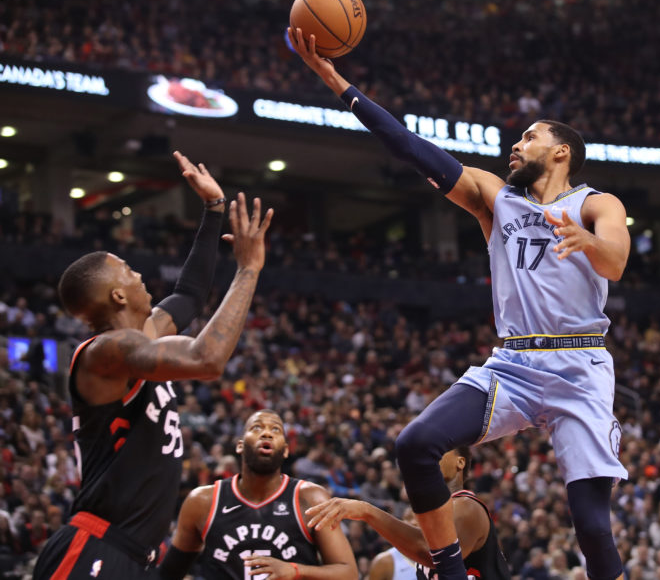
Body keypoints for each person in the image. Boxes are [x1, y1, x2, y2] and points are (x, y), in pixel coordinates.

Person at [290, 28, 630, 580]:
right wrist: (339, 85)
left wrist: (591, 242)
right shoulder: (496, 200)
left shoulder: (596, 203)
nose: (515, 146)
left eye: (528, 137)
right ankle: (449, 573)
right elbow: (409, 145)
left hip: (580, 367)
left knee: (591, 524)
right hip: (515, 363)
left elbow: (615, 260)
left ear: (561, 151)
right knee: (416, 443)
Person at [33, 153, 274, 580]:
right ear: (117, 297)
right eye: (126, 270)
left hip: (132, 553)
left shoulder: (143, 336)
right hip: (94, 549)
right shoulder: (105, 352)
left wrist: (212, 211)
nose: (138, 273)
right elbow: (207, 359)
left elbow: (190, 294)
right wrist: (248, 269)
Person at [159, 410, 358, 580]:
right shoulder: (202, 501)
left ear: (286, 450)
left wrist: (295, 570)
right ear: (239, 445)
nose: (266, 433)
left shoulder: (310, 498)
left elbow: (348, 573)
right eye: (256, 428)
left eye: (275, 430)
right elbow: (168, 574)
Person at [306, 447, 510, 580]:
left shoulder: (466, 505)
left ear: (460, 462)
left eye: (440, 449)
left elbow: (435, 555)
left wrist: (366, 511)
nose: (428, 455)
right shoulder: (435, 515)